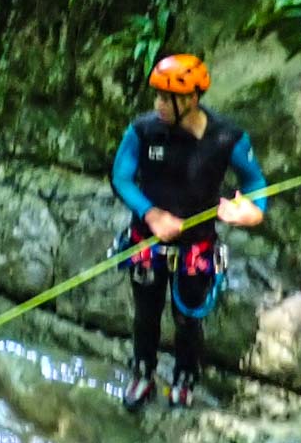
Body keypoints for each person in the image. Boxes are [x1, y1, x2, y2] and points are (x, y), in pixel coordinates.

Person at [111, 53, 269, 410]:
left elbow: (255, 181)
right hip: (149, 244)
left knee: (189, 318)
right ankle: (143, 372)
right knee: (146, 314)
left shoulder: (227, 138)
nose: (159, 105)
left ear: (192, 99)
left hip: (196, 249)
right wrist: (151, 214)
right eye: (158, 96)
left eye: (167, 98)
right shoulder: (143, 131)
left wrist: (252, 213)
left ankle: (185, 376)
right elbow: (120, 176)